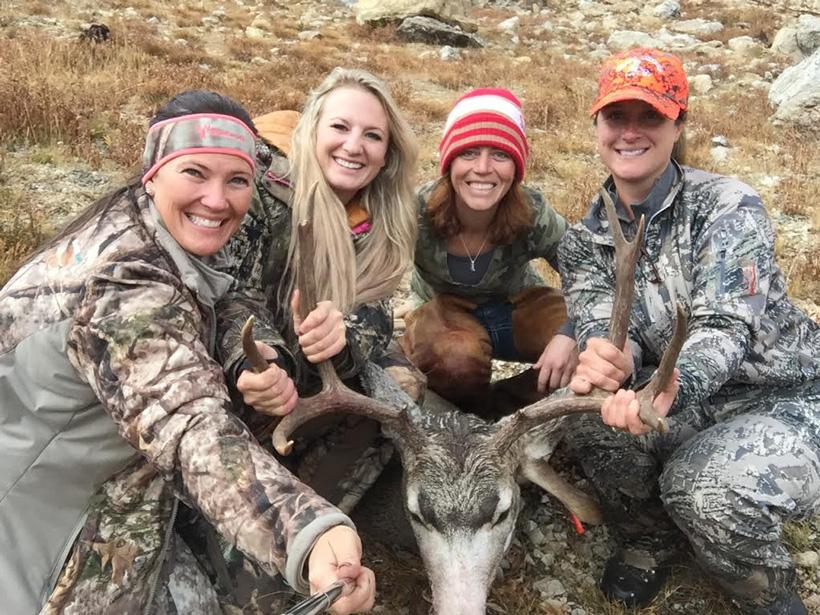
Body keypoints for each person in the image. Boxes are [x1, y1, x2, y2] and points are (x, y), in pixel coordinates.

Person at [0, 90, 375, 615]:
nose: (217, 200)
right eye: (195, 173)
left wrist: (254, 354)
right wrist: (307, 530)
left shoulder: (153, 223)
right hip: (37, 525)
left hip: (109, 488)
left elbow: (225, 291)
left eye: (237, 180)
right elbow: (188, 426)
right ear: (154, 172)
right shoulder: (126, 283)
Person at [560, 47, 820, 614]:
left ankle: (768, 596)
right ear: (598, 126)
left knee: (703, 490)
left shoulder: (728, 207)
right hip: (674, 395)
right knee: (584, 416)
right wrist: (606, 361)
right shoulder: (584, 240)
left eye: (649, 116)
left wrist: (673, 382)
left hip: (785, 397)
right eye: (616, 117)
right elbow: (603, 326)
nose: (630, 132)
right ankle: (650, 536)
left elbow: (726, 325)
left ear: (678, 124)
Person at [219, 67, 421, 512]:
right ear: (311, 131)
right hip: (246, 371)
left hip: (309, 373)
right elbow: (230, 291)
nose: (354, 146)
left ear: (387, 155)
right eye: (340, 127)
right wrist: (253, 357)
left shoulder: (379, 226)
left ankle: (314, 511)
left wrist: (346, 331)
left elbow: (378, 313)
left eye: (372, 136)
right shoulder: (261, 191)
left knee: (399, 388)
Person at [397, 87, 577, 414]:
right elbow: (368, 275)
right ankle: (463, 415)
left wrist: (570, 334)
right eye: (468, 153)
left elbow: (589, 272)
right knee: (453, 363)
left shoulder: (534, 212)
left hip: (517, 305)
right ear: (448, 162)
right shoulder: (413, 213)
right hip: (443, 314)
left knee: (591, 349)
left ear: (516, 166)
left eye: (499, 154)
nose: (482, 168)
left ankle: (503, 413)